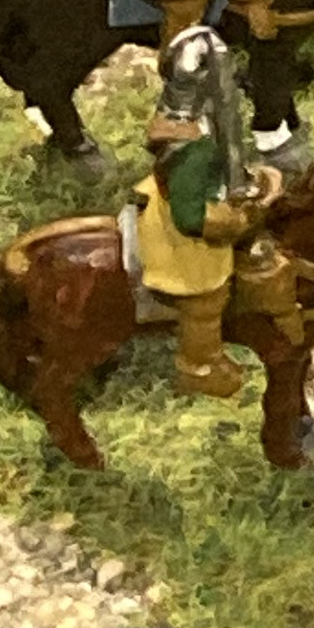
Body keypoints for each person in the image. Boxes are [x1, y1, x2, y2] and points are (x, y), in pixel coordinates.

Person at [130, 41, 283, 400]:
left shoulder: (201, 122)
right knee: (206, 299)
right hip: (181, 225)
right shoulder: (192, 147)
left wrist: (248, 179)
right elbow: (190, 217)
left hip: (204, 194)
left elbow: (223, 163)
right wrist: (234, 221)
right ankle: (198, 366)